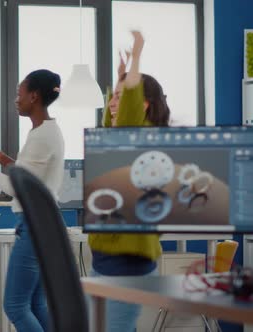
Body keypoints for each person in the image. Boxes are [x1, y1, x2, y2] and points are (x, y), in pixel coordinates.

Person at [0, 69, 65, 332]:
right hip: (44, 224)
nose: (16, 99)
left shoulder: (42, 136)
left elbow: (19, 187)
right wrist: (3, 159)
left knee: (14, 306)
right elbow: (30, 175)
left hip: (35, 225)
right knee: (36, 305)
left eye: (19, 93)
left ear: (34, 96)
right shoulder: (45, 131)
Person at [89, 31, 170, 332]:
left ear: (143, 105)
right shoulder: (123, 139)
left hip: (126, 261)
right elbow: (111, 127)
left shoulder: (144, 137)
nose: (112, 103)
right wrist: (121, 77)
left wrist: (136, 55)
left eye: (120, 97)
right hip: (107, 258)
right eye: (112, 96)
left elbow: (127, 115)